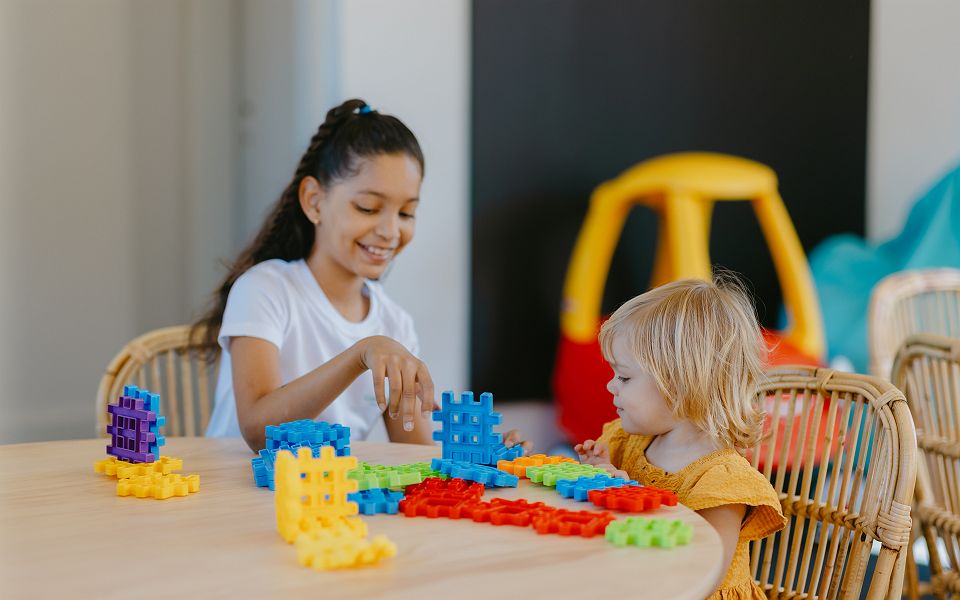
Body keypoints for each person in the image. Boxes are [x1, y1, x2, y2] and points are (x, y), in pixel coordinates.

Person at [194, 98, 527, 453]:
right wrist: (360, 355)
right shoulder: (264, 289)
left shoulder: (394, 324)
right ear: (314, 201)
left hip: (329, 487)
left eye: (406, 213)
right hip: (237, 483)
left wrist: (484, 455)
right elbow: (258, 431)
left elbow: (415, 452)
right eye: (368, 208)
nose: (390, 231)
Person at [576, 276, 786, 599]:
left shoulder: (722, 482)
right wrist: (599, 476)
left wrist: (628, 498)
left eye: (624, 377)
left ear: (678, 386)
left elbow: (701, 576)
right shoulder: (625, 442)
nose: (610, 385)